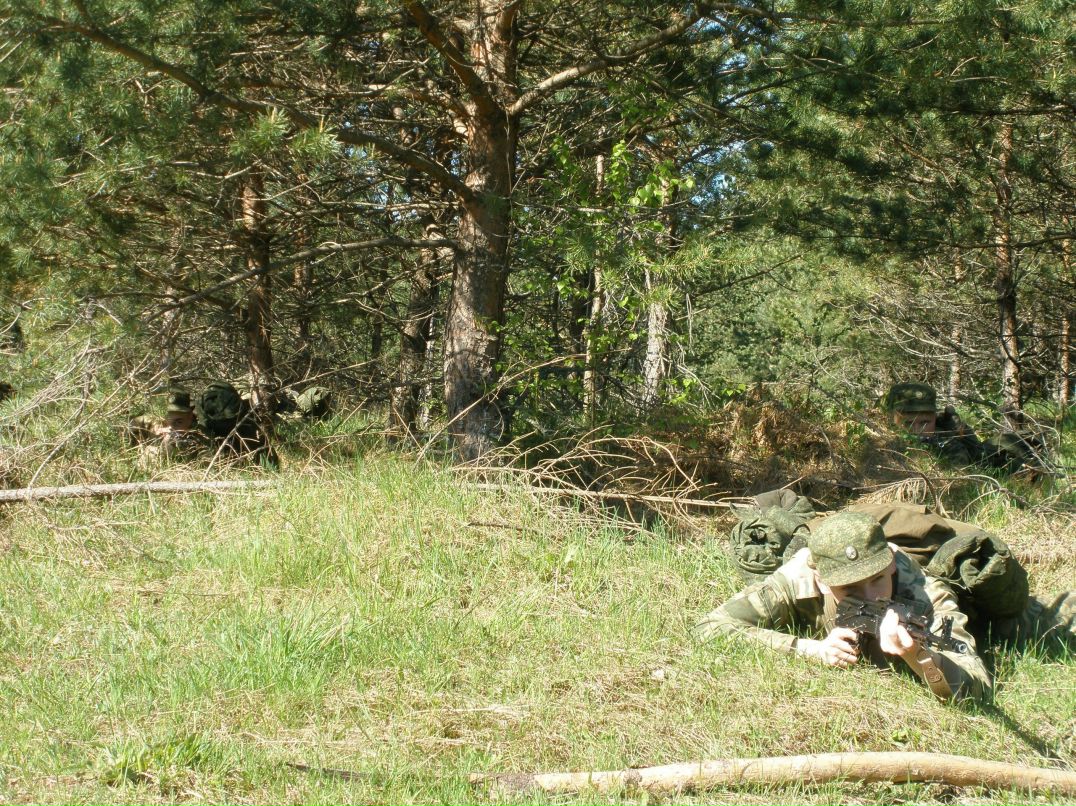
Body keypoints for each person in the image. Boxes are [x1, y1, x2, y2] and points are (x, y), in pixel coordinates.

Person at [697, 511, 992, 703]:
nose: (869, 596)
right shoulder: (798, 577)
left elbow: (978, 689)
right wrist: (811, 649)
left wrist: (917, 655)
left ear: (890, 565)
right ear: (821, 580)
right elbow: (710, 627)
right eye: (849, 587)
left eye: (876, 580)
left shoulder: (926, 595)